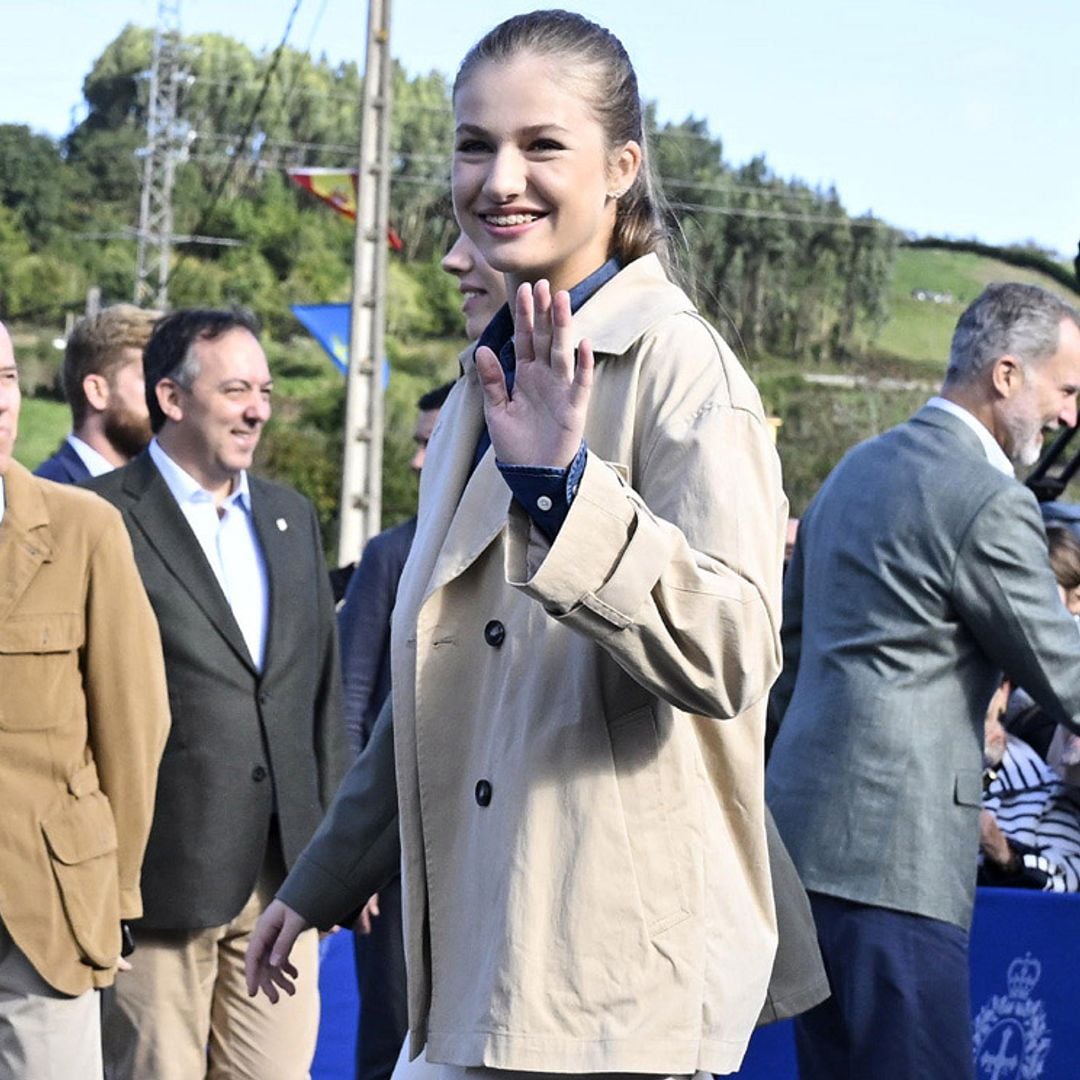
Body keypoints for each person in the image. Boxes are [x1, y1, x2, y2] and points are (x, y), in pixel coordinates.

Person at [249, 11, 789, 1077]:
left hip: (609, 1000)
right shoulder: (481, 385)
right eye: (472, 143)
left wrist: (567, 489)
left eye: (542, 145)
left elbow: (736, 652)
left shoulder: (684, 371)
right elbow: (439, 687)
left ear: (622, 169)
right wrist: (321, 877)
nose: (501, 177)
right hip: (474, 980)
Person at [767, 281, 1080, 1079]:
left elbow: (788, 665)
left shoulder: (850, 474)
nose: (1069, 416)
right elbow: (1063, 669)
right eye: (1067, 389)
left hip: (801, 856)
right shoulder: (987, 498)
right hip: (898, 865)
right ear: (1007, 375)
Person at [86, 309, 348, 1079]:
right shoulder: (99, 518)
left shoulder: (291, 516)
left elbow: (320, 698)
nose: (258, 408)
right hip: (156, 886)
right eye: (236, 389)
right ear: (171, 398)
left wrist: (337, 857)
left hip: (285, 886)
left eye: (263, 390)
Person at [0, 320, 169, 1078]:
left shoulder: (84, 528)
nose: (0, 401)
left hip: (44, 916)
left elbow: (134, 728)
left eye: (6, 378)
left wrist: (115, 891)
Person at [340, 380, 456, 1080]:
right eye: (415, 443)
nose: (416, 462)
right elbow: (352, 707)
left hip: (477, 858)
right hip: (393, 862)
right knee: (392, 1044)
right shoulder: (391, 554)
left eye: (430, 443)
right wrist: (359, 860)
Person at [35, 304, 159, 483]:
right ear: (97, 391)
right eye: (150, 378)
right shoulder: (48, 495)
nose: (164, 398)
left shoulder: (153, 495)